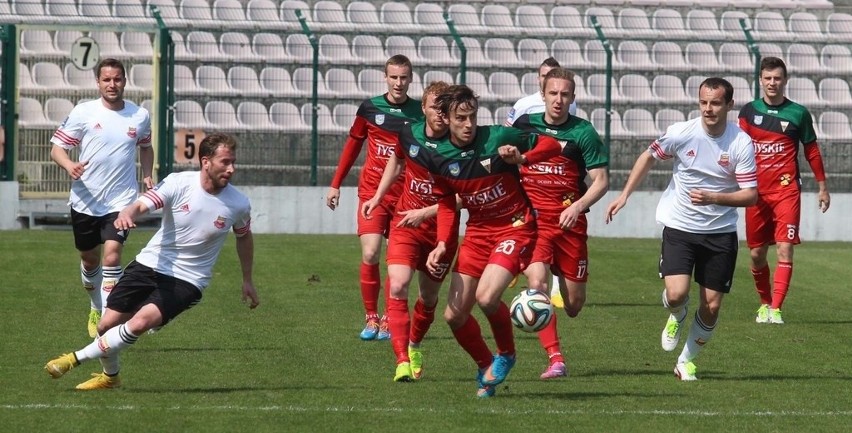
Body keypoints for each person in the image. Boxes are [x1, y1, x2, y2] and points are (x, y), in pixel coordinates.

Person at [45, 132, 258, 390]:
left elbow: (244, 237)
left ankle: (73, 359)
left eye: (233, 162)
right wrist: (128, 211)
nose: (231, 169)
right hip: (150, 264)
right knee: (105, 324)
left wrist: (247, 279)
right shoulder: (179, 183)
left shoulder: (238, 203)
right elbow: (145, 203)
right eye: (225, 162)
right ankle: (110, 378)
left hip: (189, 280)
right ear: (205, 162)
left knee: (139, 323)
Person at [605, 78, 757, 381]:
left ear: (729, 105)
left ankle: (686, 361)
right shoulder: (681, 133)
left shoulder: (741, 142)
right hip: (681, 226)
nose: (708, 109)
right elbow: (648, 156)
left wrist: (714, 197)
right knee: (676, 294)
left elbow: (750, 195)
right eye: (703, 102)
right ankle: (676, 313)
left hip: (720, 232)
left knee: (712, 304)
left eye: (715, 103)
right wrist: (624, 195)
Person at [424, 84, 563, 397]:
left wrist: (523, 157)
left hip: (515, 226)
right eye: (461, 117)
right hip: (477, 233)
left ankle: (506, 354)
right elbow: (447, 202)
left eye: (472, 116)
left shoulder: (498, 137)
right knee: (454, 315)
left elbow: (553, 145)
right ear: (446, 118)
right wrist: (444, 242)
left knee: (486, 298)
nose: (469, 123)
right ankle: (486, 363)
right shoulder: (439, 157)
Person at [511, 68, 609, 380]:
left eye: (565, 94)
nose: (558, 100)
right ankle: (555, 359)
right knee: (537, 284)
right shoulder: (524, 126)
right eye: (553, 93)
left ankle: (558, 274)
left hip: (570, 225)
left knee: (574, 305)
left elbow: (602, 181)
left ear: (573, 98)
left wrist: (579, 206)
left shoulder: (583, 132)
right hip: (534, 222)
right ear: (543, 94)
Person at [362, 81, 460, 382]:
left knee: (428, 299)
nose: (441, 114)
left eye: (446, 109)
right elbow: (396, 160)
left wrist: (427, 212)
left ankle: (415, 345)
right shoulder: (410, 133)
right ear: (424, 108)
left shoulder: (461, 147)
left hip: (440, 232)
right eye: (435, 107)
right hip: (406, 224)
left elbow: (462, 197)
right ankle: (402, 359)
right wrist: (379, 196)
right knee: (397, 285)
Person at [49, 58, 154, 338]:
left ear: (124, 81)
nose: (112, 84)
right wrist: (69, 165)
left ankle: (109, 320)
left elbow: (146, 147)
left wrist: (147, 174)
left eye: (117, 79)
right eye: (106, 79)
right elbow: (57, 149)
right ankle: (96, 305)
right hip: (85, 200)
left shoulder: (139, 115)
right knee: (88, 258)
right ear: (98, 82)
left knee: (112, 255)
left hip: (121, 201)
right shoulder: (84, 112)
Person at [326, 54, 424, 341]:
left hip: (406, 197)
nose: (398, 82)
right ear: (385, 77)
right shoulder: (370, 108)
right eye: (393, 77)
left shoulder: (419, 113)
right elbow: (353, 146)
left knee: (397, 260)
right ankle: (370, 317)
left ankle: (388, 317)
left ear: (410, 78)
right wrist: (335, 184)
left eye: (403, 77)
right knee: (370, 253)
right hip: (372, 193)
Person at [737, 57, 831, 325]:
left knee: (785, 248)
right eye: (767, 78)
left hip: (786, 192)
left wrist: (822, 187)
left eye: (777, 78)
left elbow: (811, 150)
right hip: (755, 193)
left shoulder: (798, 113)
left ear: (785, 80)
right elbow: (737, 149)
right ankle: (764, 303)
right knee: (756, 254)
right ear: (760, 80)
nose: (772, 83)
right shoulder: (747, 112)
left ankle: (776, 309)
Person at [503, 56, 578, 308]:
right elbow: (508, 133)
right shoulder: (524, 106)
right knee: (537, 274)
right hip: (529, 190)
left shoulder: (568, 107)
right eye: (545, 76)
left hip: (562, 189)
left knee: (574, 303)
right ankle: (521, 268)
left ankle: (556, 286)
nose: (558, 97)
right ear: (540, 79)